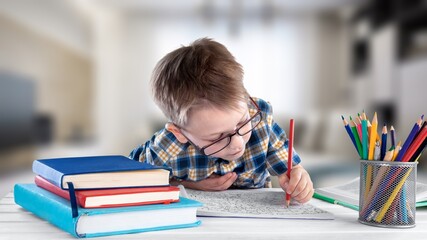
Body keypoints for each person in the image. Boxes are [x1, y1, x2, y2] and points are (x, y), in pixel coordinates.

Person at [130, 38, 313, 204]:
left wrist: (298, 178)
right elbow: (132, 177)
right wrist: (185, 183)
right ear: (180, 133)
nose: (236, 144)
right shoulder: (168, 145)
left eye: (241, 123)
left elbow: (290, 169)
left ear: (246, 99)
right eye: (217, 137)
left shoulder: (260, 117)